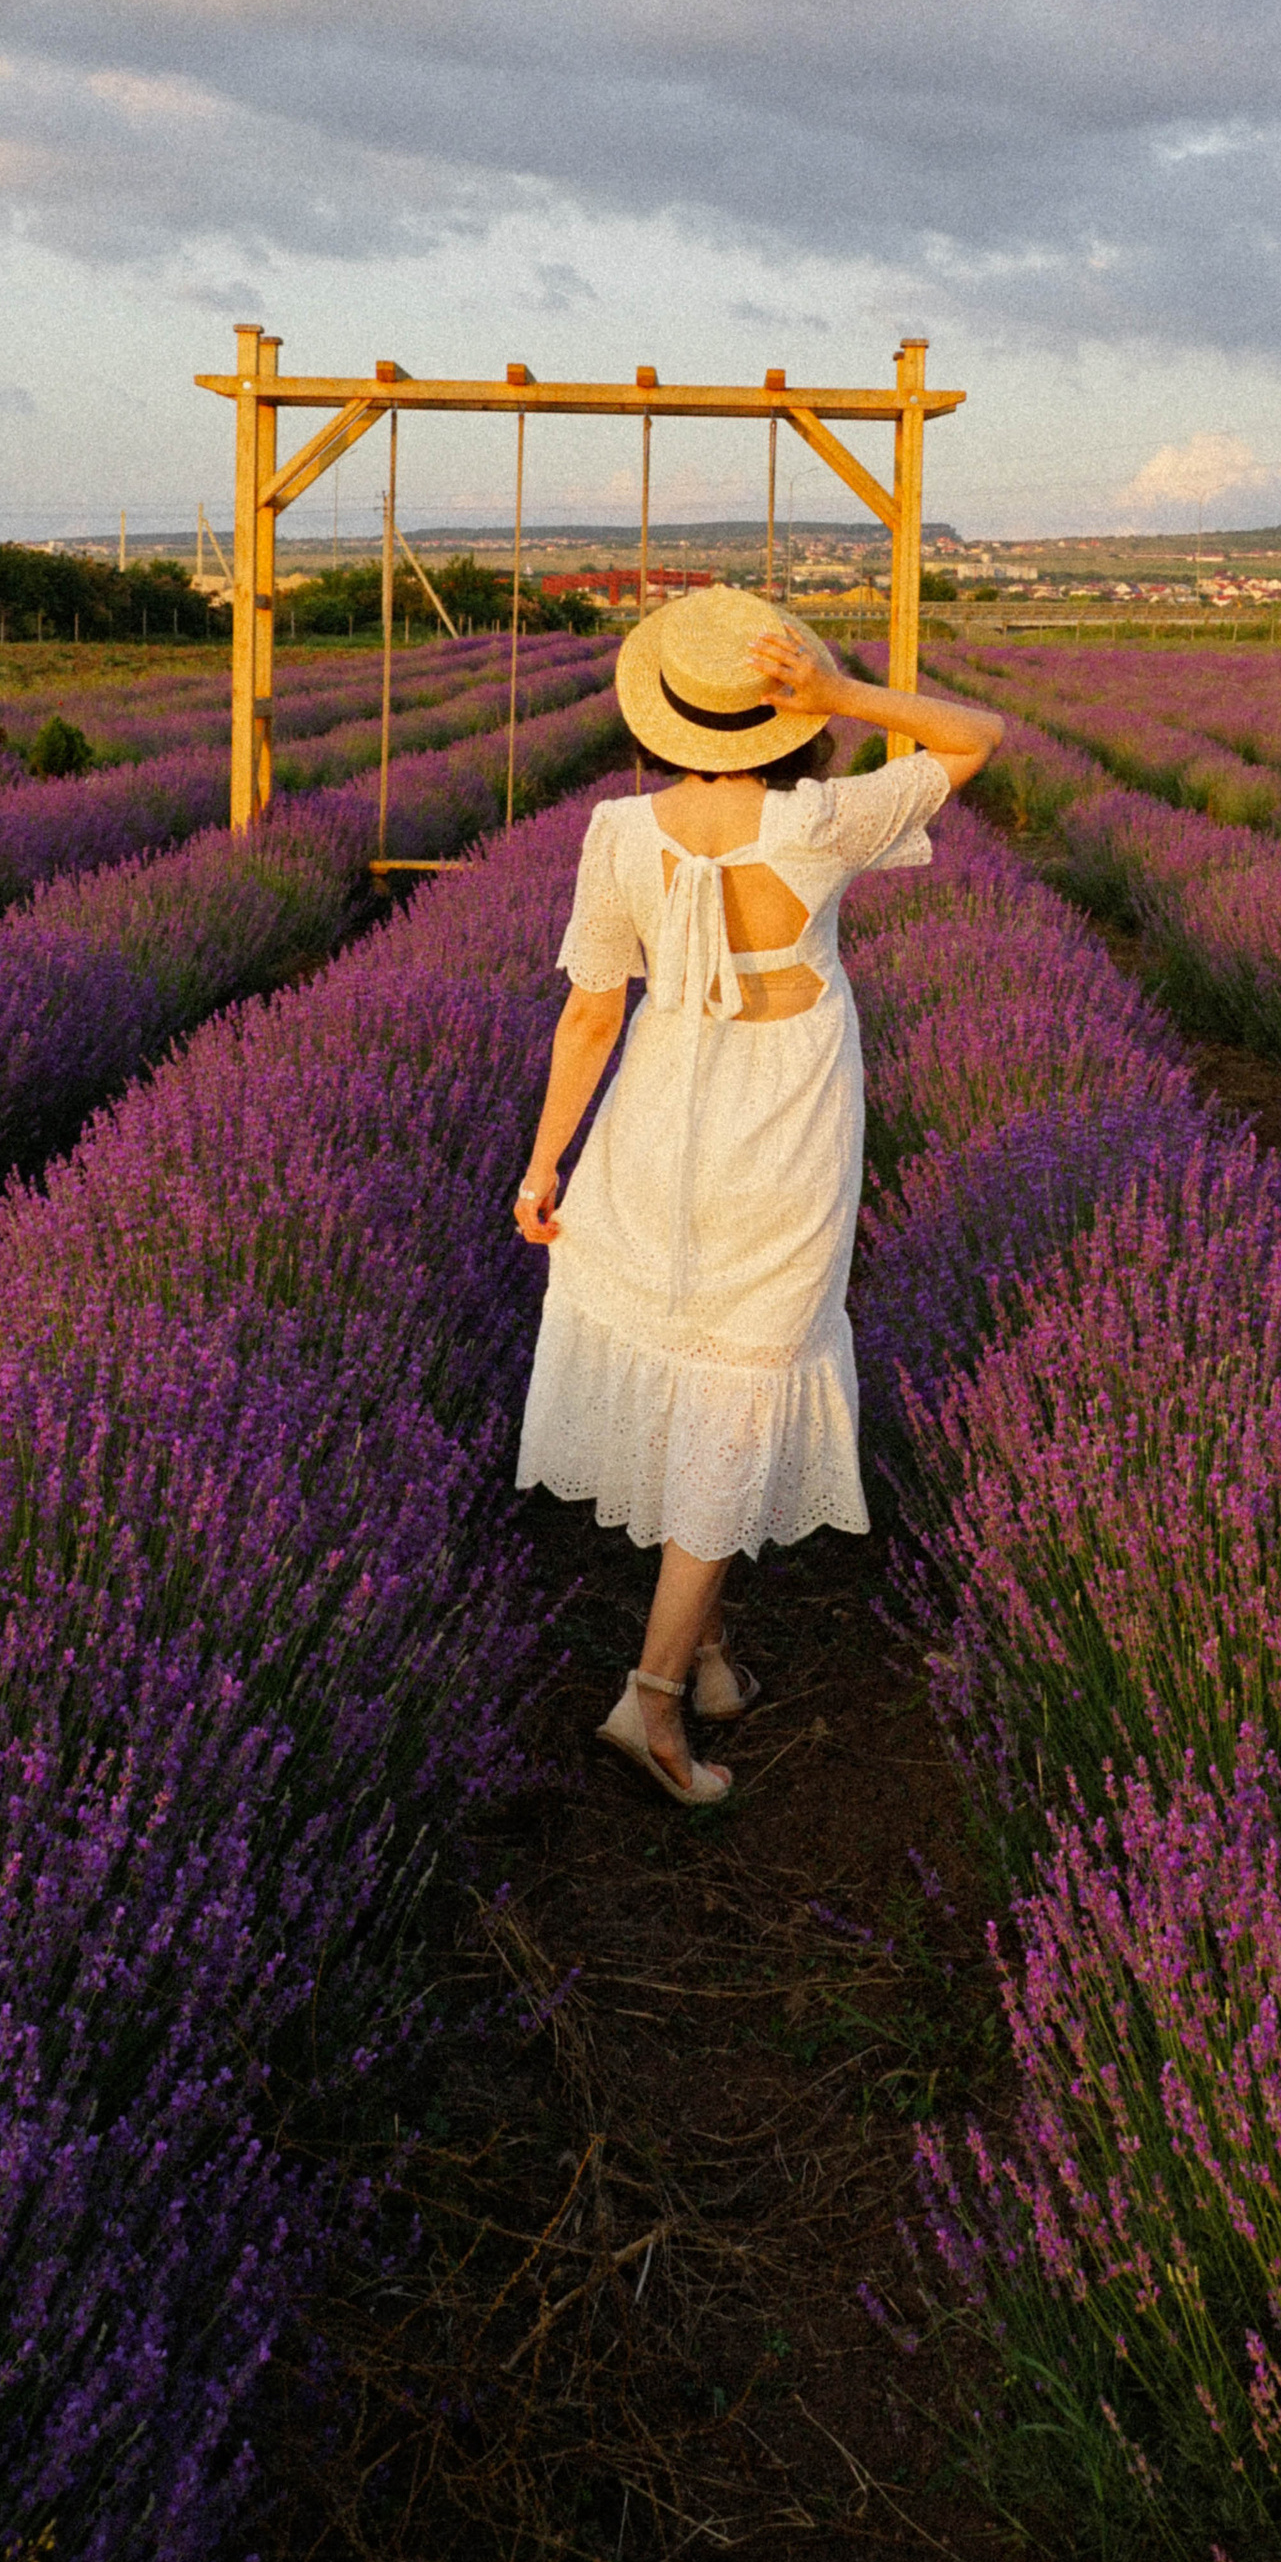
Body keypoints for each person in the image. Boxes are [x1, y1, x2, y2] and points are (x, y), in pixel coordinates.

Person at [512, 586, 1004, 1803]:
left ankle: (710, 1646)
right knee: (744, 1378)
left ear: (659, 718)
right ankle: (656, 1702)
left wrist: (542, 1167)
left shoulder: (617, 834)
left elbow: (589, 1012)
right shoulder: (826, 819)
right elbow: (975, 735)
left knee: (696, 1357)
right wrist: (842, 695)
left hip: (657, 1116)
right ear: (776, 718)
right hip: (784, 1127)